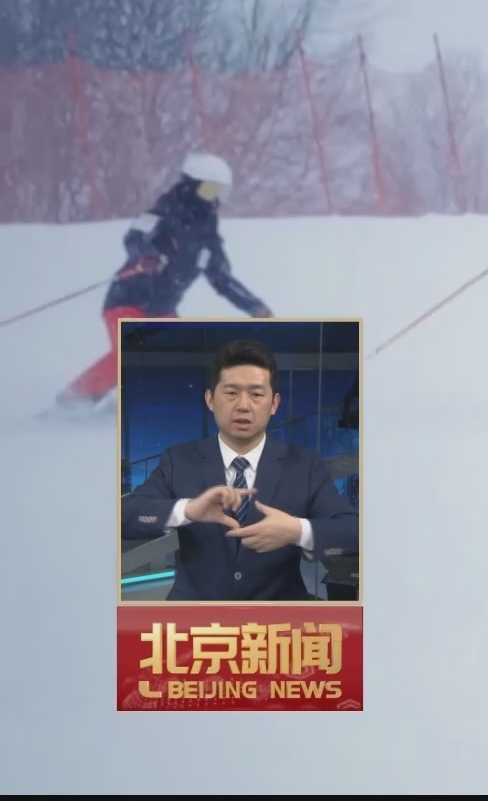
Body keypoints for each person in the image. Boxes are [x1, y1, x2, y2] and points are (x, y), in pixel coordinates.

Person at [121, 338, 358, 602]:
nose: (243, 405)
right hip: (196, 621)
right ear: (210, 399)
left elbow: (352, 531)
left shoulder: (304, 464)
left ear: (274, 403)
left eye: (256, 394)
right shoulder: (179, 460)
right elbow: (127, 516)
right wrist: (188, 510)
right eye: (231, 393)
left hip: (278, 624)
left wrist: (297, 531)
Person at [53, 152, 272, 415]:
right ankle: (73, 400)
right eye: (210, 189)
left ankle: (162, 407)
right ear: (190, 185)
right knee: (133, 353)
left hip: (162, 309)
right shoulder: (165, 210)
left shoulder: (207, 232)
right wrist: (148, 256)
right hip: (129, 299)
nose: (215, 199)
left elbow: (221, 277)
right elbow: (135, 237)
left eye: (221, 192)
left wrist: (254, 306)